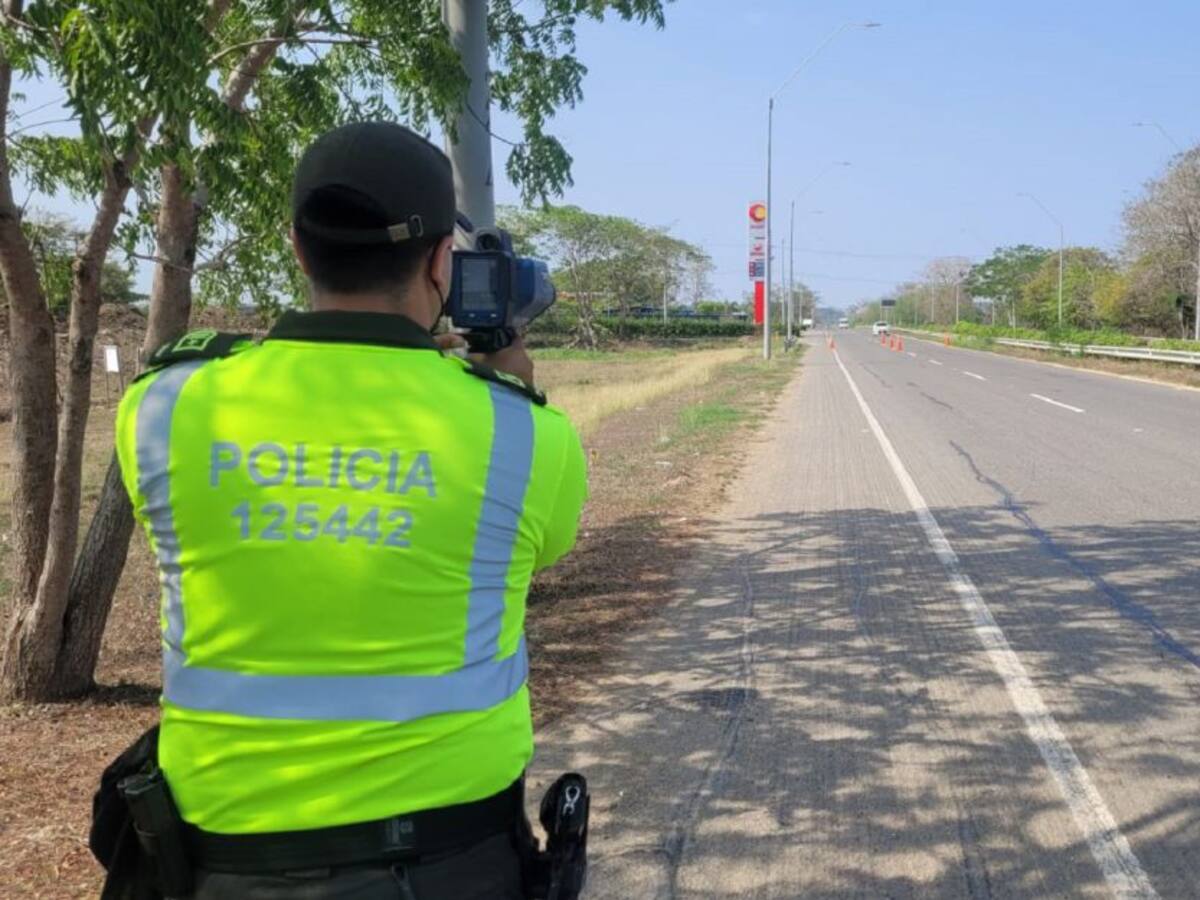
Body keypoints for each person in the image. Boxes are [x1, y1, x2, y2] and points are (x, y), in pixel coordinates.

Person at [112, 121, 588, 898]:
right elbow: (545, 545)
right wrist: (508, 382)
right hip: (454, 856)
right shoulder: (526, 434)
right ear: (442, 261)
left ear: (298, 249)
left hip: (217, 859)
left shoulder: (162, 405)